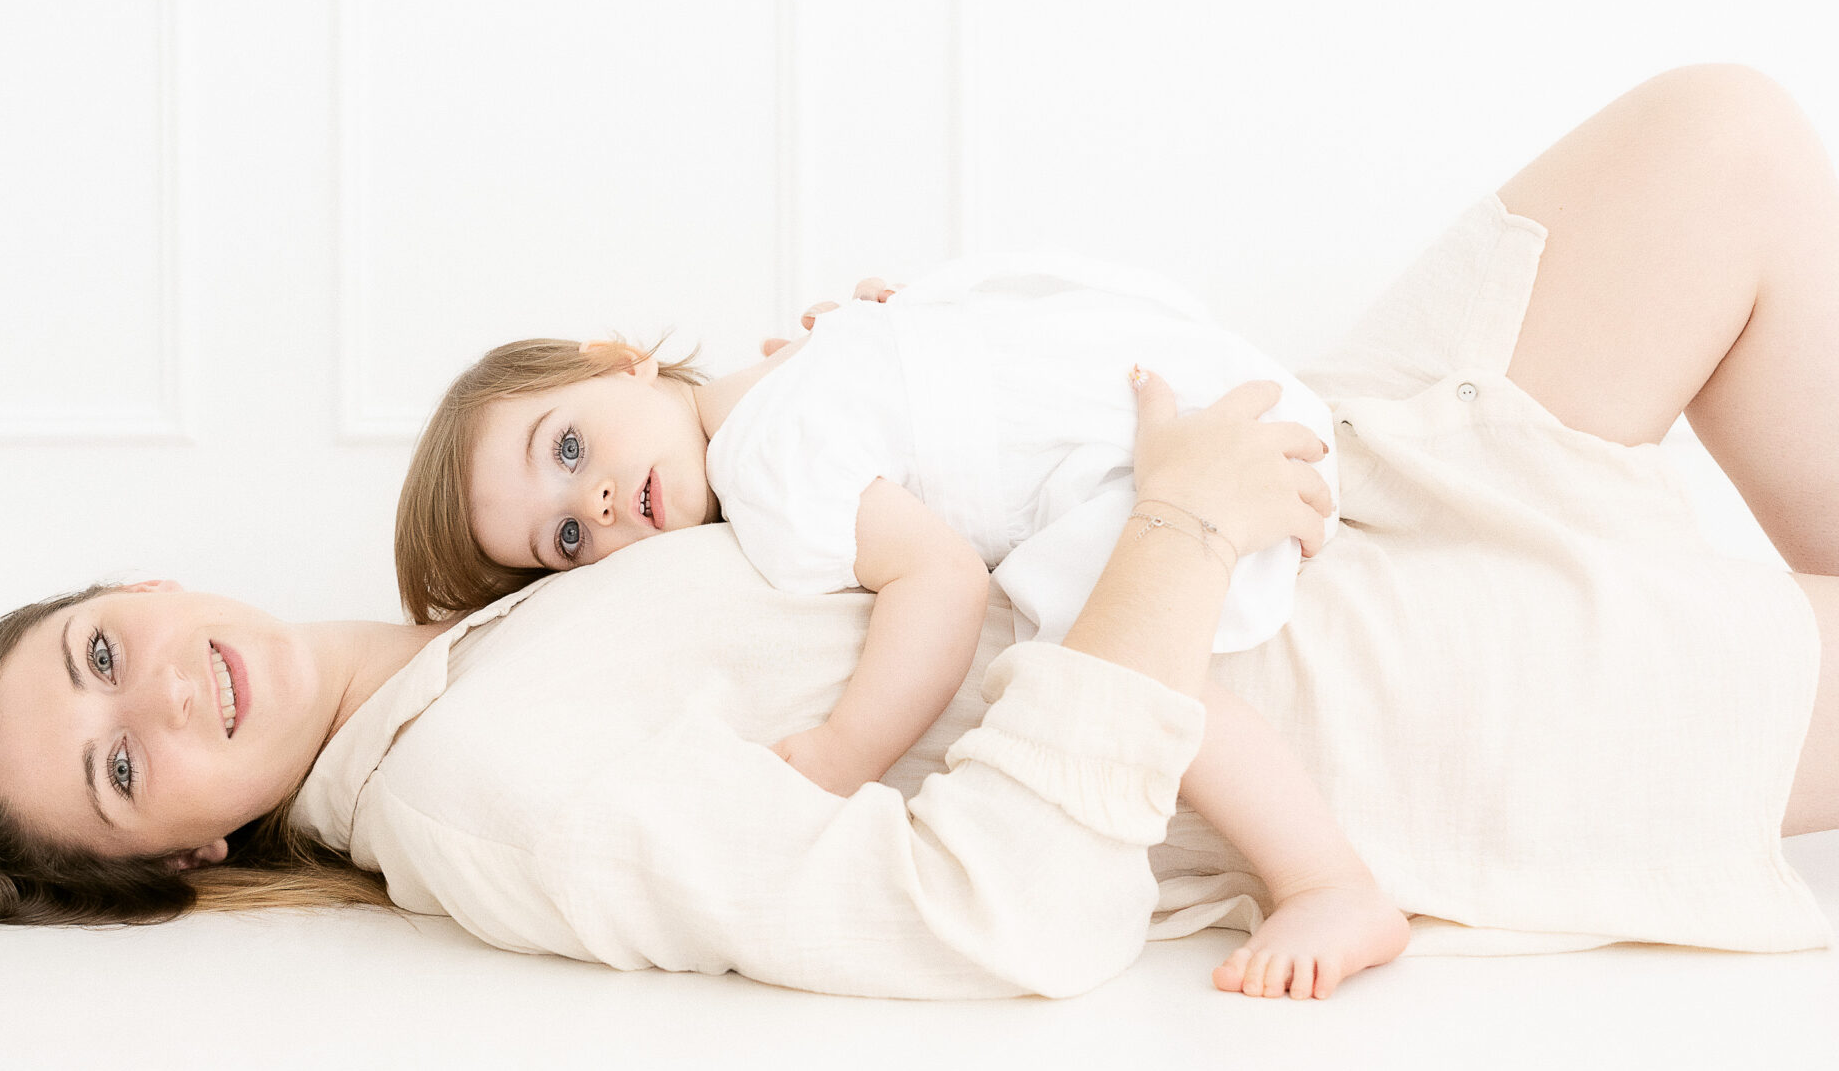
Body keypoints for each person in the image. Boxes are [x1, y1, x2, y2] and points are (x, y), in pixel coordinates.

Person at [0, 65, 1839, 1001]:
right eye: (125, 770)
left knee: (1717, 143)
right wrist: (1166, 549)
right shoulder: (483, 797)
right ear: (185, 858)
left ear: (118, 587)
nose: (154, 693)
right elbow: (970, 912)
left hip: (1276, 460)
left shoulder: (493, 579)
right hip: (1303, 692)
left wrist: (875, 383)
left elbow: (799, 476)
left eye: (92, 659)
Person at [388, 253, 1408, 992]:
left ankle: (1326, 881)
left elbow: (945, 583)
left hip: (1167, 453)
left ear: (619, 360)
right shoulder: (810, 356)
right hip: (1182, 365)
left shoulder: (765, 469)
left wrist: (841, 752)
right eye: (565, 539)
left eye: (567, 449)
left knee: (1116, 671)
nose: (598, 505)